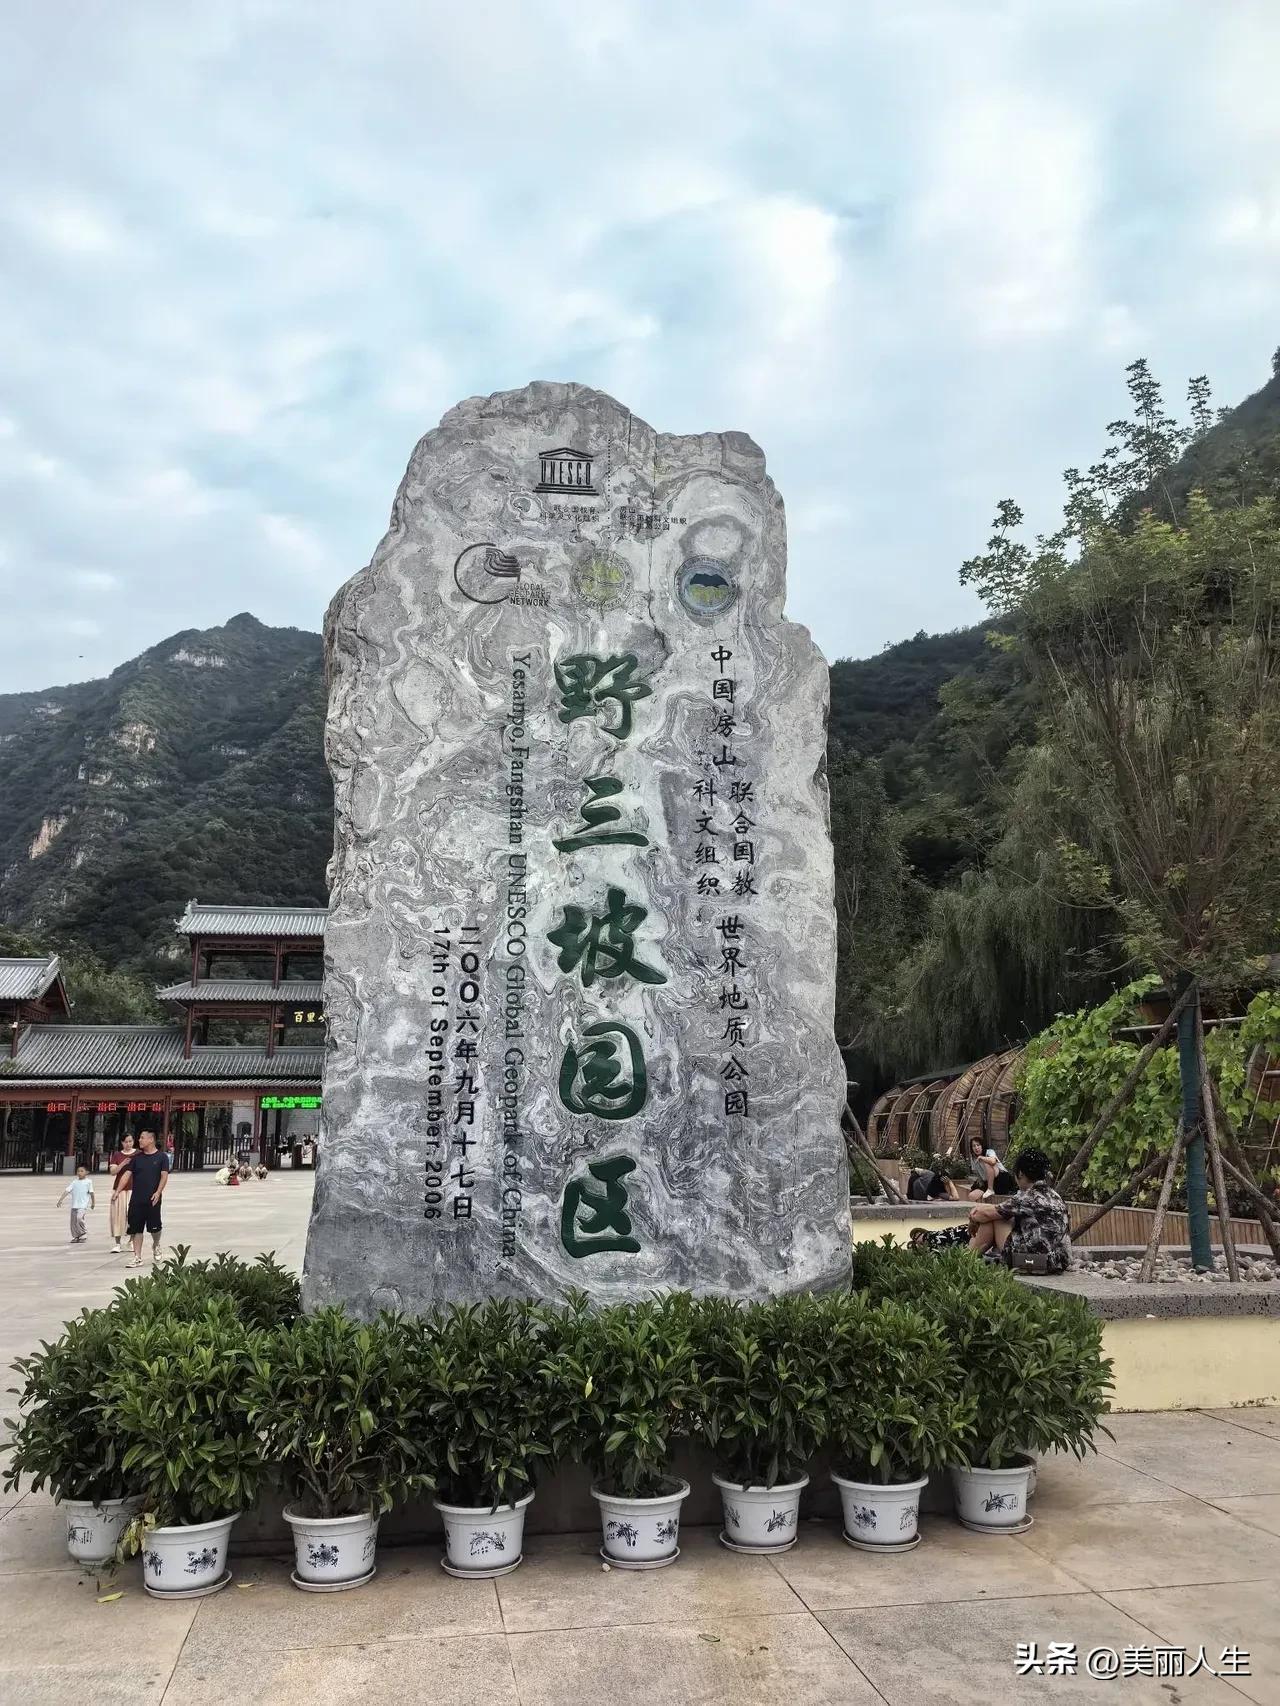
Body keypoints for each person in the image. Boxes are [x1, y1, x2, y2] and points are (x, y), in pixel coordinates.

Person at [968, 1146, 1070, 1273]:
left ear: (1020, 1173)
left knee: (995, 1219)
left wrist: (973, 1216)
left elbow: (985, 1214)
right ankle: (969, 1256)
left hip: (1033, 1262)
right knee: (1000, 1214)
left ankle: (967, 1258)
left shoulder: (1027, 1197)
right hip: (1057, 1262)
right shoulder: (1055, 1196)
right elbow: (1000, 1209)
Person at [112, 1129, 170, 1267]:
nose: (139, 1140)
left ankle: (156, 1244)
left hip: (153, 1199)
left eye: (142, 1137)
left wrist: (158, 1192)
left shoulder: (162, 1157)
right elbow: (126, 1175)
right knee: (136, 1229)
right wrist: (117, 1191)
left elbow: (164, 1176)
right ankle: (137, 1257)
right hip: (136, 1199)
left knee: (155, 1228)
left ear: (151, 1139)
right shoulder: (136, 1158)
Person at [107, 1133, 136, 1253]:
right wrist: (123, 1163)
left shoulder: (138, 1154)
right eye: (126, 1142)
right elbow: (113, 1172)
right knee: (117, 1216)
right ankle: (117, 1244)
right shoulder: (117, 1155)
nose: (128, 1144)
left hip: (134, 1188)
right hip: (119, 1189)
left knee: (134, 1216)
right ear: (122, 1143)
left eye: (130, 1141)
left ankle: (131, 1241)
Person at [57, 1166, 95, 1244]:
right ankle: (76, 1236)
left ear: (87, 1172)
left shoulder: (88, 1182)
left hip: (82, 1205)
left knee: (79, 1218)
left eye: (82, 1171)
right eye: (78, 1171)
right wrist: (60, 1200)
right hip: (74, 1205)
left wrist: (93, 1202)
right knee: (73, 1223)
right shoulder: (74, 1182)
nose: (79, 1173)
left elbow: (91, 1193)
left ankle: (83, 1233)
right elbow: (67, 1191)